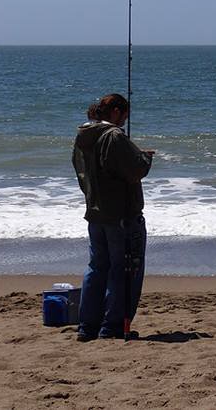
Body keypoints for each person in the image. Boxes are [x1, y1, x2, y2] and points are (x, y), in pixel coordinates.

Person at [72, 93, 153, 340]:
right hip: (121, 215)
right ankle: (112, 326)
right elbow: (135, 170)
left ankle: (88, 326)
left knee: (97, 268)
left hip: (96, 212)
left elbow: (87, 170)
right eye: (125, 115)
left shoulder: (85, 135)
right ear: (116, 112)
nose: (125, 120)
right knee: (123, 270)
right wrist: (145, 158)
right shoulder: (114, 136)